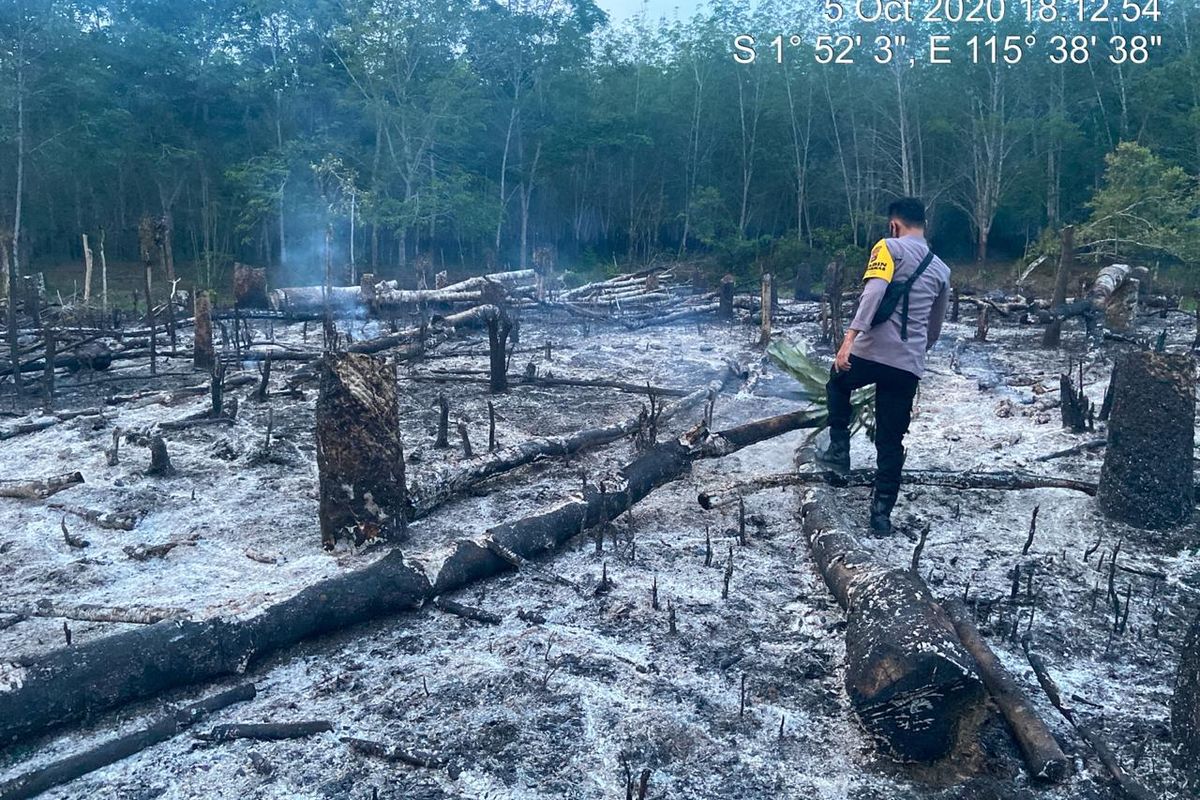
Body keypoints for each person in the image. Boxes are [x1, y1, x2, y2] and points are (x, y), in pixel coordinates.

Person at [816, 197, 951, 535]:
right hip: (907, 365)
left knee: (837, 384)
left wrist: (848, 341)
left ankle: (839, 453)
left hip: (872, 352)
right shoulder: (941, 269)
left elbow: (873, 295)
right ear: (922, 225)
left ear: (894, 224)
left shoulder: (887, 248)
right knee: (891, 440)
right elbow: (935, 327)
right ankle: (880, 516)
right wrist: (915, 352)